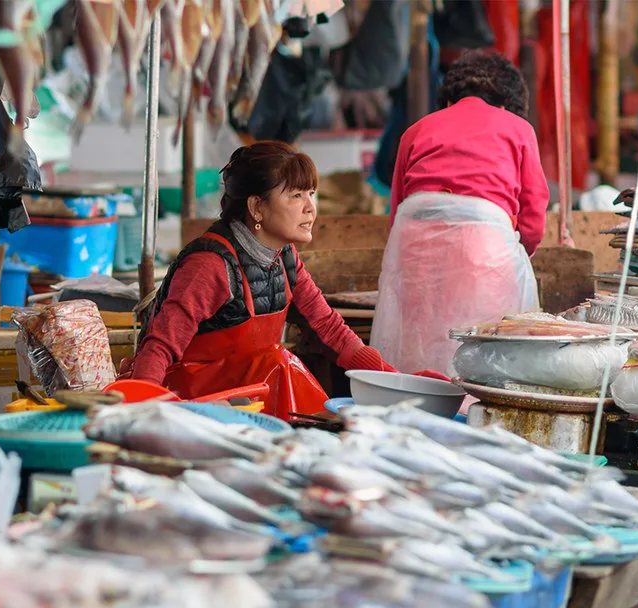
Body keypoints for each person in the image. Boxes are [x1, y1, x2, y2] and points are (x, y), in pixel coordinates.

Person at [129, 141, 440, 419]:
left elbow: (329, 328)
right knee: (279, 360)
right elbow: (159, 346)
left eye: (311, 194)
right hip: (194, 406)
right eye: (295, 195)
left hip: (249, 401)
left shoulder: (285, 257)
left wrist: (398, 382)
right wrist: (148, 413)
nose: (310, 208)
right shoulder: (208, 266)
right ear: (256, 206)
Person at [371, 50, 548, 376]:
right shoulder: (518, 129)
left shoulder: (416, 130)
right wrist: (519, 254)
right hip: (483, 245)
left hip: (413, 244)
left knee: (419, 339)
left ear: (449, 98)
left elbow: (397, 212)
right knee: (480, 347)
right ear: (508, 101)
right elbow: (534, 218)